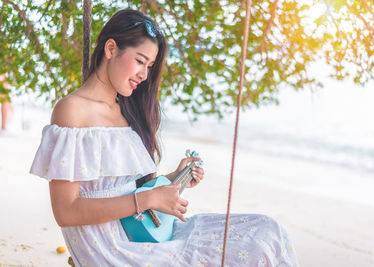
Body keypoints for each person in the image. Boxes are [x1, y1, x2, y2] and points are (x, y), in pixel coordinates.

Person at [30, 9, 298, 266]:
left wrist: (173, 180)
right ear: (111, 49)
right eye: (139, 60)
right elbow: (66, 212)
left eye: (149, 66)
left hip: (145, 233)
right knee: (249, 248)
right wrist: (149, 200)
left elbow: (126, 188)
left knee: (267, 231)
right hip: (113, 249)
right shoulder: (72, 110)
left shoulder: (124, 111)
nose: (144, 75)